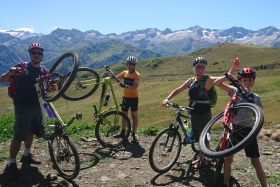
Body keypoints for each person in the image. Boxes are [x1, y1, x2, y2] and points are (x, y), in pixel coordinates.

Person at [162, 56, 236, 168]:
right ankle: (203, 157)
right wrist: (167, 98)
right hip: (193, 111)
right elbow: (178, 89)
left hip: (204, 113)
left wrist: (233, 68)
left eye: (202, 67)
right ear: (194, 68)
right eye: (198, 67)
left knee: (204, 137)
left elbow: (221, 79)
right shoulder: (191, 81)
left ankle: (205, 159)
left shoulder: (207, 79)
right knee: (198, 136)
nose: (200, 69)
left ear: (205, 68)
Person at [214, 65, 268, 187]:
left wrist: (258, 128)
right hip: (235, 129)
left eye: (250, 80)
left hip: (249, 131)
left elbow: (259, 115)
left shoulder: (256, 98)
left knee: (255, 161)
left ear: (253, 82)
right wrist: (230, 72)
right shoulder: (234, 91)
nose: (248, 82)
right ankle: (226, 183)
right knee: (228, 159)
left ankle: (265, 185)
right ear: (240, 80)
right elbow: (217, 83)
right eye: (245, 80)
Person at [0, 43, 47, 180]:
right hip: (22, 106)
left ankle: (27, 155)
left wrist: (51, 87)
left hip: (38, 106)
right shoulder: (21, 67)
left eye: (39, 53)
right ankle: (11, 163)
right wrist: (10, 73)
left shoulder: (44, 71)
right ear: (30, 54)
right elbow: (2, 79)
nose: (36, 55)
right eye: (34, 53)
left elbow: (47, 90)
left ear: (42, 55)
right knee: (19, 135)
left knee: (31, 131)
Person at [116, 56, 141, 144]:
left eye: (133, 64)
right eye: (129, 64)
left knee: (134, 117)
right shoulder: (124, 73)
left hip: (134, 98)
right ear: (127, 64)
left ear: (135, 65)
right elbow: (117, 78)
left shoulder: (137, 75)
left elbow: (135, 87)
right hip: (125, 98)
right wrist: (110, 73)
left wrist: (125, 86)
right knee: (124, 116)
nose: (131, 65)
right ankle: (123, 132)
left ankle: (133, 134)